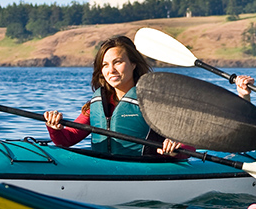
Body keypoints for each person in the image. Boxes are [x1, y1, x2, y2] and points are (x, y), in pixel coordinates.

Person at [43, 35, 182, 157]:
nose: (111, 70)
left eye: (118, 62)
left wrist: (175, 149)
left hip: (147, 170)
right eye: (105, 65)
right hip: (106, 169)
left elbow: (187, 144)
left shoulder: (153, 103)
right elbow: (67, 139)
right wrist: (55, 128)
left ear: (133, 64)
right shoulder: (98, 104)